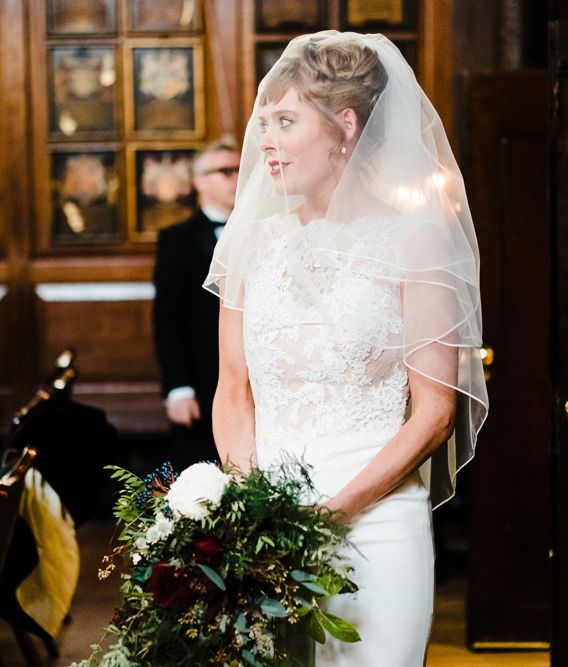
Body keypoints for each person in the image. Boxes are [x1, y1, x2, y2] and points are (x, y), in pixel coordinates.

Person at [205, 32, 488, 666]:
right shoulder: (252, 245)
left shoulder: (415, 241)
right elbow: (232, 390)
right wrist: (257, 511)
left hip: (378, 519)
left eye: (284, 120)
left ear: (344, 124)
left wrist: (336, 511)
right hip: (270, 522)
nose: (265, 141)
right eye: (263, 122)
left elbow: (436, 411)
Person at [153, 139, 240, 469]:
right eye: (225, 171)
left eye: (240, 170)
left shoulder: (269, 232)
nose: (236, 178)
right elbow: (168, 319)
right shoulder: (177, 240)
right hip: (204, 381)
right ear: (198, 181)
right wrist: (178, 388)